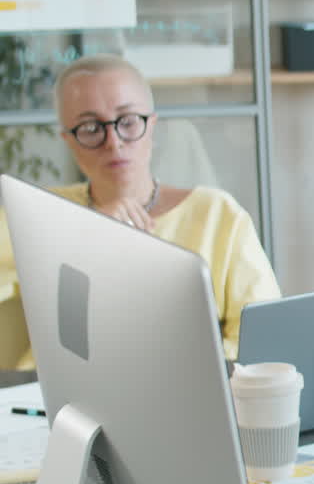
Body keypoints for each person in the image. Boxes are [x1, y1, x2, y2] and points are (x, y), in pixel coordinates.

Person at [0, 54, 281, 368]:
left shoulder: (219, 215)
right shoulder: (38, 211)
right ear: (69, 140)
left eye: (128, 121)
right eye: (91, 127)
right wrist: (87, 232)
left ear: (152, 125)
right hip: (51, 399)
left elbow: (262, 336)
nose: (114, 142)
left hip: (188, 389)